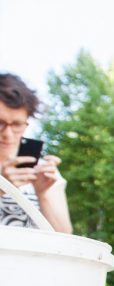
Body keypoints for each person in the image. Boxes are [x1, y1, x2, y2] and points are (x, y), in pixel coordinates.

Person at [0, 73, 72, 233]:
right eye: (0, 123)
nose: (8, 134)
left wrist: (43, 193)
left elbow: (64, 237)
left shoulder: (40, 170)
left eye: (17, 124)